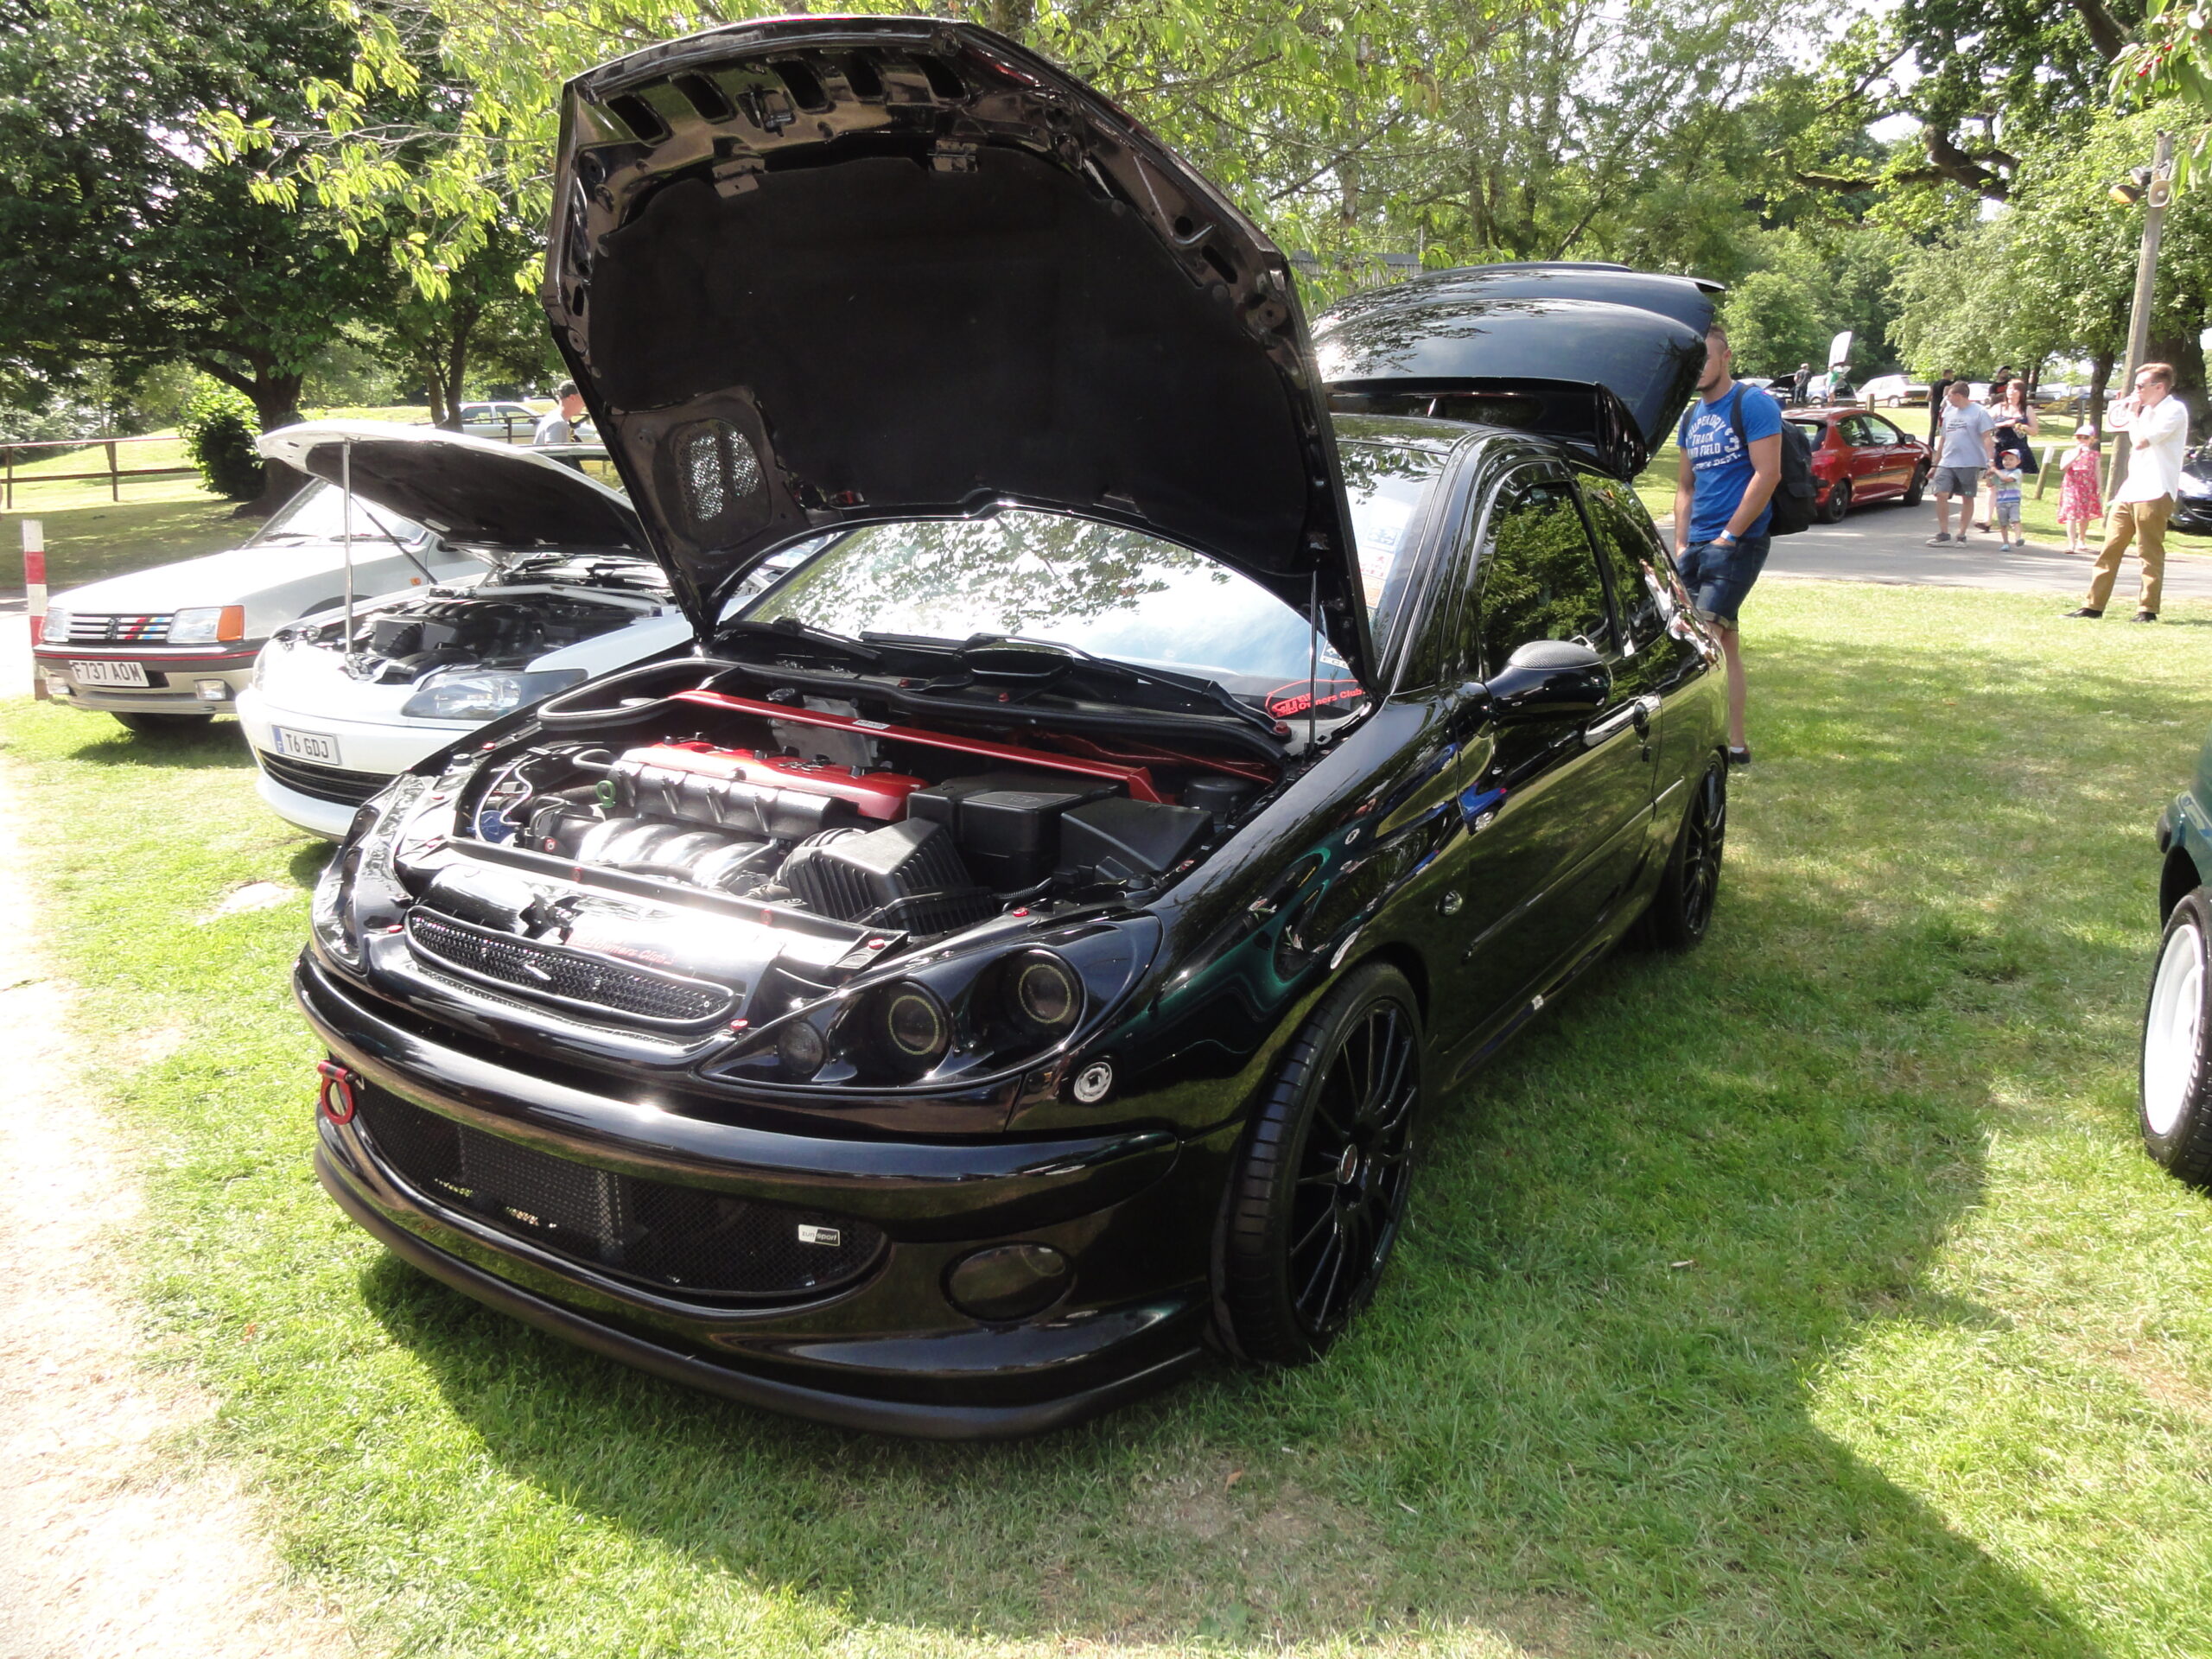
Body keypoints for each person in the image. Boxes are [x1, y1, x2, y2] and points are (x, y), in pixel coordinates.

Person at [1672, 322, 1781, 767]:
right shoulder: (1690, 418)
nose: (1699, 368)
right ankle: (1736, 746)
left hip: (1739, 543)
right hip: (1697, 544)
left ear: (1726, 357)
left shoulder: (1752, 403)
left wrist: (1729, 535)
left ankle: (1690, 749)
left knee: (1700, 645)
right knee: (1726, 644)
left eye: (1707, 358)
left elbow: (1768, 474)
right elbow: (1685, 486)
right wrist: (1682, 543)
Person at [2069, 361, 2190, 621]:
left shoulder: (2174, 410)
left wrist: (2134, 415)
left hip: (2156, 490)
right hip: (2131, 489)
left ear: (2159, 387)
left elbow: (2141, 441)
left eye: (2140, 386)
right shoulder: (2145, 412)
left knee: (2148, 552)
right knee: (2110, 548)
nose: (2136, 392)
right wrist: (2132, 412)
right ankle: (2093, 606)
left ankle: (2147, 610)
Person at [1928, 379, 1997, 543]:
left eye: (1950, 396)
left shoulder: (1979, 412)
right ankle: (1944, 533)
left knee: (1967, 497)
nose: (1947, 399)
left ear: (1958, 395)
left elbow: (1987, 438)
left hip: (1969, 462)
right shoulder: (1948, 412)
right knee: (1941, 493)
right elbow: (1943, 439)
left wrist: (1991, 461)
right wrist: (1935, 464)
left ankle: (1961, 534)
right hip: (1947, 461)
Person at [2059, 424, 2103, 554]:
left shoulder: (2094, 455)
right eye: (2079, 437)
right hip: (2072, 486)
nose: (2082, 440)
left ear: (2091, 440)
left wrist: (2099, 486)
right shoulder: (2068, 453)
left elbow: (2097, 471)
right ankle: (2071, 543)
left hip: (2087, 487)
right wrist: (2076, 454)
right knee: (2071, 513)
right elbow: (2063, 467)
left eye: (2085, 437)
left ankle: (2081, 539)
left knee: (2084, 515)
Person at [532, 382, 587, 446]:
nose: (584, 403)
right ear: (572, 398)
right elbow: (554, 451)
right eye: (582, 397)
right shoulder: (558, 423)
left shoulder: (554, 417)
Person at [1989, 454, 2025, 548]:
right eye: (2005, 459)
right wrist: (1989, 475)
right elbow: (1990, 484)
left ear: (2018, 462)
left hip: (2014, 501)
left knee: (2015, 520)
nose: (2007, 461)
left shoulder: (2017, 472)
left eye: (2011, 459)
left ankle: (2018, 538)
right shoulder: (2000, 472)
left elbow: (2006, 479)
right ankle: (2005, 543)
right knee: (2003, 523)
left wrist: (1995, 470)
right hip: (2001, 501)